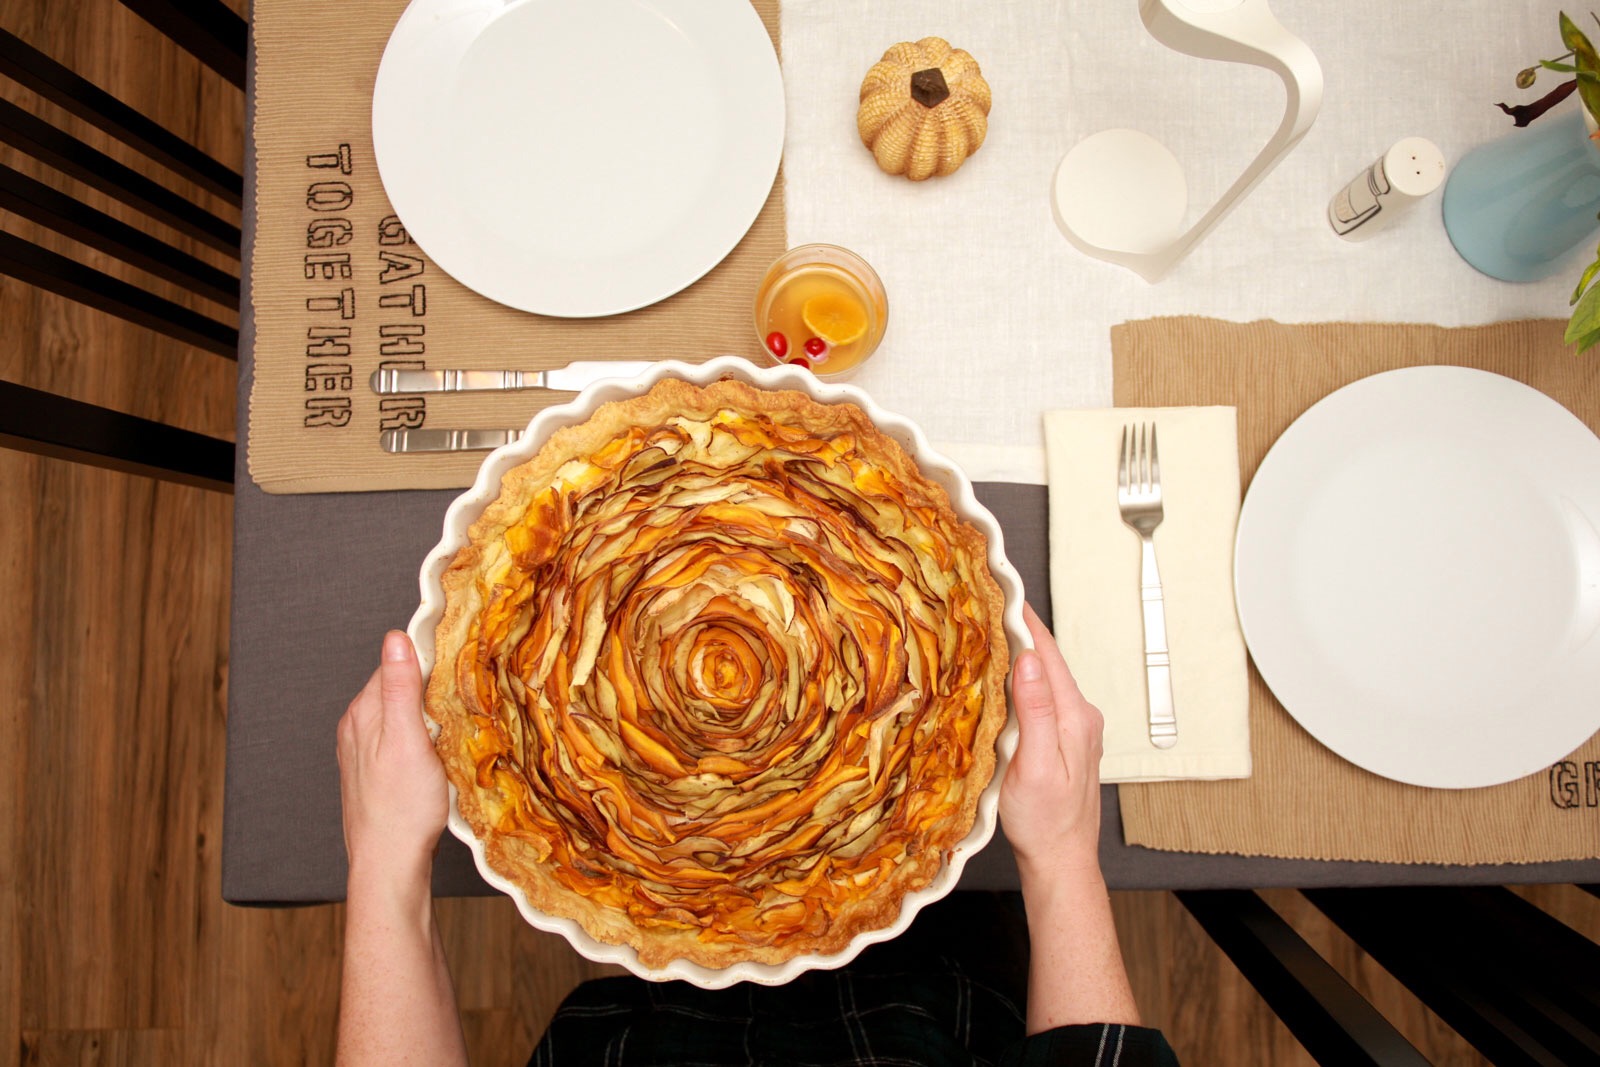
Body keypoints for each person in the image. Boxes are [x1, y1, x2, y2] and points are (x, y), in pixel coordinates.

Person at [335, 605, 1180, 1065]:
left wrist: (384, 865)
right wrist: (1063, 855)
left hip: (639, 1013)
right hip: (939, 983)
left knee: (631, 848)